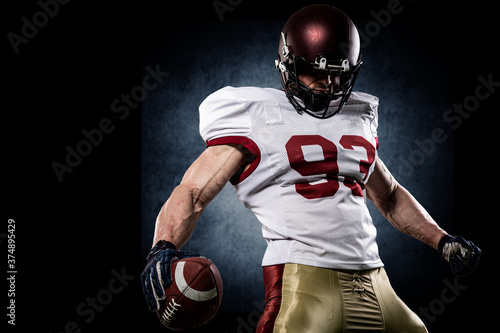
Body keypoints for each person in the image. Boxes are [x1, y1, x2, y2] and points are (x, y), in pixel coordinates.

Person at [141, 5, 481, 332]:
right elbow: (193, 192)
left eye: (338, 73)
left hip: (375, 279)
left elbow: (389, 197)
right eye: (318, 71)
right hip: (303, 279)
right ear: (288, 64)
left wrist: (443, 241)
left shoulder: (356, 116)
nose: (329, 84)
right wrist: (163, 245)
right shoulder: (253, 114)